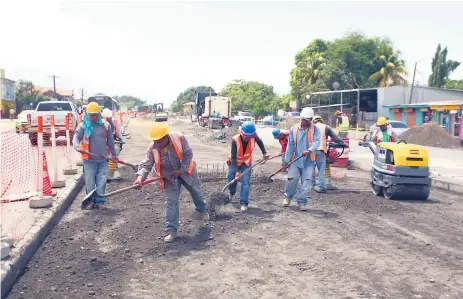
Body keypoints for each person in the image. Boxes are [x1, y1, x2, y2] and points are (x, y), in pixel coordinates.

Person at [134, 123, 209, 242]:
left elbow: (188, 154)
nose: (156, 144)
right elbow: (146, 164)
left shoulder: (179, 138)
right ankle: (172, 230)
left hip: (186, 172)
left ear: (165, 137)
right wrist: (140, 178)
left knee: (196, 192)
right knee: (171, 202)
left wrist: (181, 170)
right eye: (154, 141)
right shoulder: (153, 148)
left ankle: (202, 210)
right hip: (169, 177)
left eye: (158, 141)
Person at [73, 102, 118, 210]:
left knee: (102, 182)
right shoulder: (83, 126)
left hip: (103, 159)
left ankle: (100, 202)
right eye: (91, 115)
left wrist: (114, 155)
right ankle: (90, 202)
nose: (93, 117)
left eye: (95, 115)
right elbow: (76, 138)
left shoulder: (105, 125)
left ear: (99, 114)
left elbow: (111, 142)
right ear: (87, 114)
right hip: (89, 160)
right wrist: (77, 147)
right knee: (90, 182)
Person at [227, 121, 269, 211]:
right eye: (246, 135)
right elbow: (233, 157)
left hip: (246, 162)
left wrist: (264, 153)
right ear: (241, 133)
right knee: (231, 178)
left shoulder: (253, 136)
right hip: (235, 162)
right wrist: (237, 171)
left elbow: (260, 142)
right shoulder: (235, 140)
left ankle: (244, 203)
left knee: (245, 182)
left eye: (249, 136)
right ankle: (231, 192)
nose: (247, 138)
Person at [283, 107, 320, 210]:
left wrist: (309, 150)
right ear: (302, 118)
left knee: (307, 182)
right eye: (305, 120)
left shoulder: (315, 129)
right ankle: (288, 197)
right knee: (292, 179)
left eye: (309, 120)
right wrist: (287, 160)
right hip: (295, 159)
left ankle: (302, 202)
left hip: (309, 161)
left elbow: (317, 142)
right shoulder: (294, 129)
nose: (307, 122)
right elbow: (290, 145)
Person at [311, 115, 347, 192]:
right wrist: (344, 143)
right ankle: (321, 186)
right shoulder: (326, 127)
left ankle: (312, 185)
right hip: (320, 150)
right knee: (321, 169)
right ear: (321, 120)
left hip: (311, 150)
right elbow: (336, 138)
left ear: (313, 121)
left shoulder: (311, 127)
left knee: (311, 168)